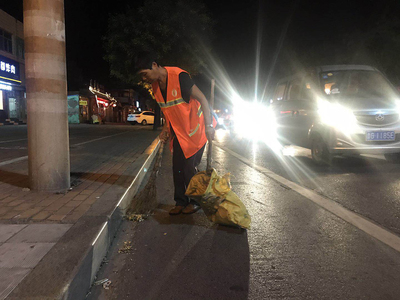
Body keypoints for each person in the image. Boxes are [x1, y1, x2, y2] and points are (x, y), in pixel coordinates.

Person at [135, 52, 215, 215]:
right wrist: (165, 129)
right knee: (177, 166)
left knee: (188, 167)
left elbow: (204, 100)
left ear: (154, 65)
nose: (145, 79)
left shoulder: (180, 77)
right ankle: (180, 201)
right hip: (180, 132)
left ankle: (195, 201)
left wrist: (208, 126)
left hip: (196, 129)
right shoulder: (156, 88)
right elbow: (168, 111)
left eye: (145, 74)